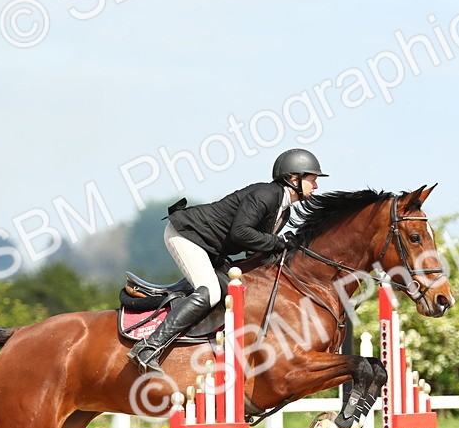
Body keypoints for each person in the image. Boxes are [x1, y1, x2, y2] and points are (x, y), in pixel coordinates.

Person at [127, 148, 328, 373]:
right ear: (294, 179)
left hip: (211, 247)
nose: (316, 186)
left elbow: (257, 249)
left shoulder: (284, 212)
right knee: (210, 291)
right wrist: (279, 242)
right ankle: (148, 347)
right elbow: (241, 233)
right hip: (186, 234)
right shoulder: (266, 195)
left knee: (240, 291)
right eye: (313, 179)